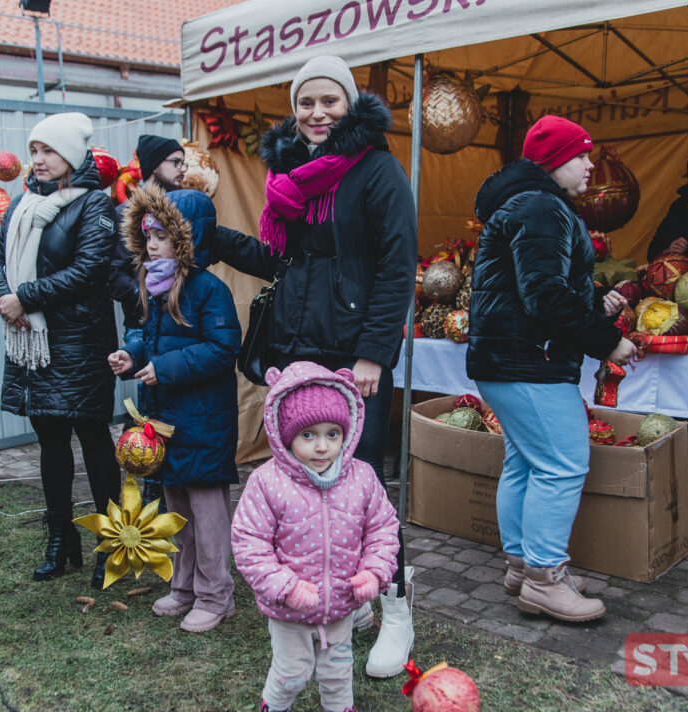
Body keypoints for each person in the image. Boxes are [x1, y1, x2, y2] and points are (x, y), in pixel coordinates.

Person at [210, 54, 417, 678]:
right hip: (298, 349)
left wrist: (374, 351)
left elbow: (397, 266)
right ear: (294, 108)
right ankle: (336, 601)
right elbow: (284, 262)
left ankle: (395, 605)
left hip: (354, 356)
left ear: (349, 105)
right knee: (307, 484)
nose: (317, 113)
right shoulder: (288, 171)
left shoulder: (378, 169)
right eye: (306, 102)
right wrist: (212, 237)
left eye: (330, 100)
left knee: (363, 485)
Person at [466, 115, 637, 623]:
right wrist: (608, 341)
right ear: (554, 161)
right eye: (581, 156)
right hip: (528, 360)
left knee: (525, 462)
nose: (590, 166)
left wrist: (592, 299)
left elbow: (534, 282)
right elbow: (543, 296)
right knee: (563, 464)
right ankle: (544, 578)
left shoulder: (527, 204)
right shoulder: (542, 206)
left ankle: (522, 566)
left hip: (509, 357)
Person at [0, 112, 121, 589]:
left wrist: (25, 297)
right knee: (51, 442)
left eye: (49, 151)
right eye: (34, 151)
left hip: (80, 341)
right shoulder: (23, 204)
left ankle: (111, 542)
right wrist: (3, 299)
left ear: (73, 155)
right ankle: (61, 539)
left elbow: (89, 269)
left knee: (94, 439)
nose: (39, 160)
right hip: (32, 343)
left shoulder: (95, 205)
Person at [107, 185, 241, 633]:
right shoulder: (156, 285)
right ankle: (184, 587)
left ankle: (216, 595)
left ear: (187, 240)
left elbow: (222, 349)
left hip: (203, 421)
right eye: (147, 236)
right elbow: (149, 337)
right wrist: (131, 355)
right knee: (176, 509)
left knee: (207, 514)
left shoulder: (210, 290)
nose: (152, 245)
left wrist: (163, 368)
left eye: (162, 236)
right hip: (165, 420)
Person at [231, 361, 400, 712]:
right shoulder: (267, 482)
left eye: (332, 434)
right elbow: (249, 544)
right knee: (291, 673)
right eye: (308, 435)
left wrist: (374, 572)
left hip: (340, 605)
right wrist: (286, 587)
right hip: (290, 610)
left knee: (338, 672)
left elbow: (383, 528)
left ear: (347, 432)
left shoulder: (362, 477)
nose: (322, 447)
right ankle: (274, 706)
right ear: (285, 434)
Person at [108, 134, 187, 511]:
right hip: (143, 323)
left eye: (184, 161)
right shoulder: (129, 214)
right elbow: (113, 272)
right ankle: (150, 492)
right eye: (175, 161)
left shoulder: (183, 207)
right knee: (148, 412)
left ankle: (171, 489)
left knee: (176, 407)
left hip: (179, 323)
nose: (182, 168)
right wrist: (146, 295)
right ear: (155, 165)